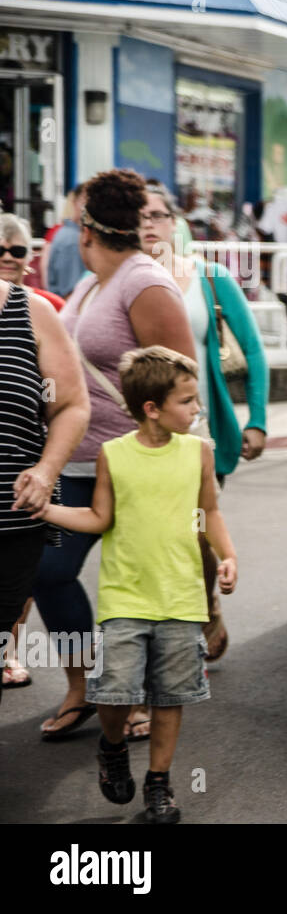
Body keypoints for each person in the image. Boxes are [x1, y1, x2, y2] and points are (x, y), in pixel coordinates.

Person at [36, 346, 236, 823]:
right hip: (125, 598)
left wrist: (227, 555)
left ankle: (159, 784)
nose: (196, 410)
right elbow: (99, 516)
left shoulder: (198, 453)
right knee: (113, 692)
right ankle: (112, 746)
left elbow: (209, 511)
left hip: (182, 598)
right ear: (152, 408)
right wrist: (46, 508)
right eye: (187, 401)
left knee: (169, 697)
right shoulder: (114, 455)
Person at [32, 169, 197, 740]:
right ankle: (86, 687)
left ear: (86, 227)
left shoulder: (145, 284)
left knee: (144, 584)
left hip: (139, 465)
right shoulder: (88, 286)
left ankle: (143, 695)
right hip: (79, 461)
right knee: (49, 571)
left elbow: (181, 378)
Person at [140, 182, 268, 661]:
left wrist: (257, 419)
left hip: (200, 433)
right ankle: (168, 626)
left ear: (174, 222)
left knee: (193, 531)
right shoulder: (123, 283)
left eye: (156, 214)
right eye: (139, 217)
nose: (148, 225)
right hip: (139, 435)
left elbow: (254, 351)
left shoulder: (211, 278)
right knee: (155, 536)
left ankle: (205, 605)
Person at [0, 214, 90, 701]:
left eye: (17, 250)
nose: (10, 258)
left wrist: (45, 468)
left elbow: (73, 405)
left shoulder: (32, 311)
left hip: (11, 520)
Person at [43, 183, 87, 298]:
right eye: (85, 201)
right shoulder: (72, 241)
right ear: (74, 203)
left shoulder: (73, 235)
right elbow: (71, 293)